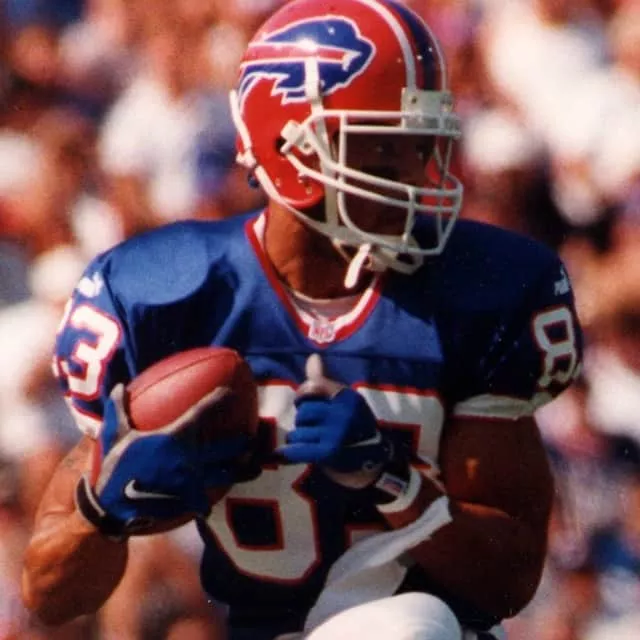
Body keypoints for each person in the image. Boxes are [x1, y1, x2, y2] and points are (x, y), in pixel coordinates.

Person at [21, 1, 583, 639]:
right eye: (385, 148)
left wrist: (392, 477)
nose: (419, 177)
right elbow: (49, 595)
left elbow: (507, 580)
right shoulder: (164, 300)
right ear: (291, 147)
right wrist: (103, 510)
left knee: (409, 627)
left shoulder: (481, 293)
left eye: (422, 146)